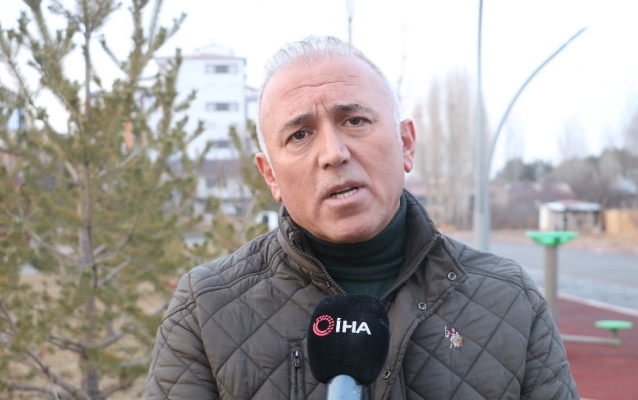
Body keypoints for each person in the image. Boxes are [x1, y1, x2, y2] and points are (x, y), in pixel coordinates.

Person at [145, 36, 579, 400]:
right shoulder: (205, 309)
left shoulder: (510, 299)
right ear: (270, 175)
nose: (333, 153)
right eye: (300, 134)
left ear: (406, 144)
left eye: (354, 120)